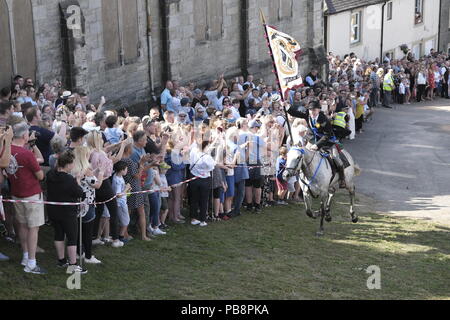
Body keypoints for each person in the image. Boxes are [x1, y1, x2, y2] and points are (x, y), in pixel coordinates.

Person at [7, 122, 46, 274]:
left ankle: (25, 256)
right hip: (31, 194)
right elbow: (40, 175)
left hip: (16, 193)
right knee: (33, 228)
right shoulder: (27, 154)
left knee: (22, 225)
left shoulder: (6, 149)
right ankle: (31, 262)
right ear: (24, 135)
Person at [287, 100, 347, 188]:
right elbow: (296, 113)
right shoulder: (307, 114)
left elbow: (327, 135)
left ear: (319, 110)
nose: (312, 112)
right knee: (302, 156)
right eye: (311, 110)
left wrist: (317, 145)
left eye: (314, 110)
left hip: (327, 142)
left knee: (336, 158)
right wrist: (287, 107)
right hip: (312, 140)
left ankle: (342, 179)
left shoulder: (324, 119)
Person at [46, 150, 86, 274]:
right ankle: (73, 265)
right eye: (72, 163)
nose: (73, 165)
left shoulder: (50, 174)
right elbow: (81, 194)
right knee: (72, 237)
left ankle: (62, 260)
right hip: (67, 213)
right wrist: (78, 181)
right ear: (68, 164)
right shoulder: (69, 179)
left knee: (58, 234)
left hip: (53, 210)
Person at [188, 130, 216, 227]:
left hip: (193, 177)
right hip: (204, 179)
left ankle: (193, 218)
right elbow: (212, 167)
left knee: (194, 199)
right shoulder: (207, 156)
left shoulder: (193, 150)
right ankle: (203, 219)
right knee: (204, 200)